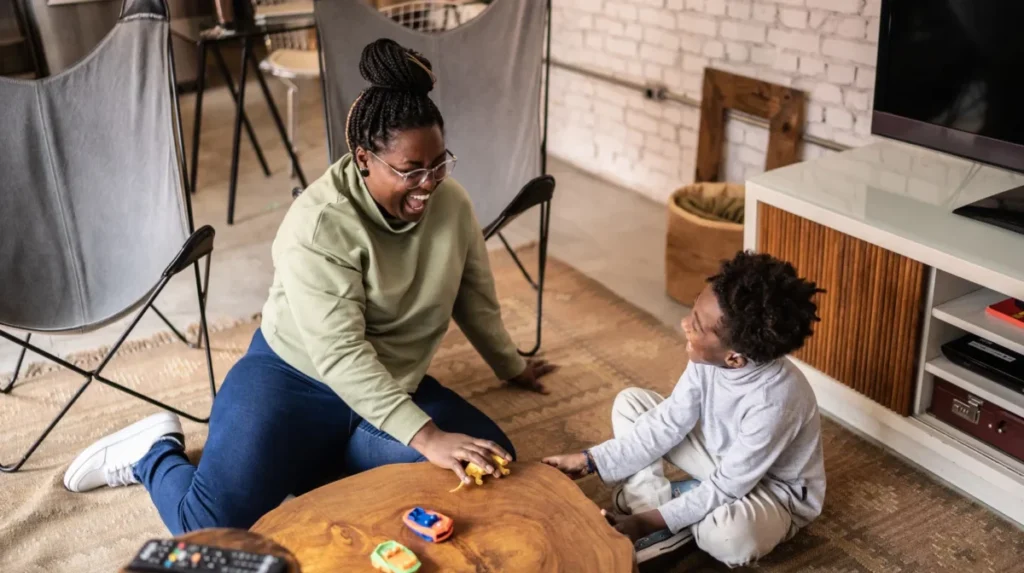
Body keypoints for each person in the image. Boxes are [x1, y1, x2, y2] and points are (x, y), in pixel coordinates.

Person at [63, 38, 554, 534]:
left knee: (492, 462)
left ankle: (327, 465)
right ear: (364, 159)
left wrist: (510, 366)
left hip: (388, 389)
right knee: (211, 530)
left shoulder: (452, 205)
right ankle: (154, 454)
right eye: (411, 171)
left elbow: (474, 298)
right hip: (293, 382)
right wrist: (425, 437)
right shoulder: (319, 224)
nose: (429, 183)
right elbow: (340, 354)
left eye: (439, 164)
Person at [543, 251, 826, 567]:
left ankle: (659, 516)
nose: (684, 323)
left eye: (696, 325)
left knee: (731, 537)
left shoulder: (775, 402)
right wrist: (590, 460)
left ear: (734, 358)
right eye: (693, 312)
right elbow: (668, 422)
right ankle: (666, 509)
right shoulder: (710, 360)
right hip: (718, 459)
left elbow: (730, 484)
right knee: (631, 403)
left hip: (770, 493)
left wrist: (645, 523)